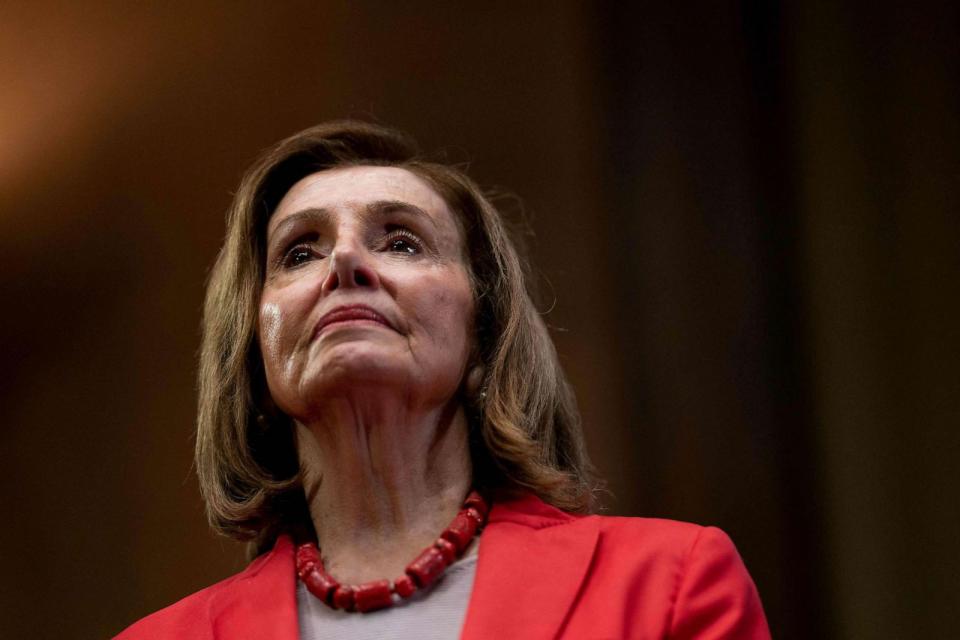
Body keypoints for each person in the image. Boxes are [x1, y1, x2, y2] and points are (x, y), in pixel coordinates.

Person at [116, 121, 771, 639]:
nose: (344, 259)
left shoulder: (669, 582)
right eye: (299, 252)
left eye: (401, 242)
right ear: (255, 350)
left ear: (483, 330)